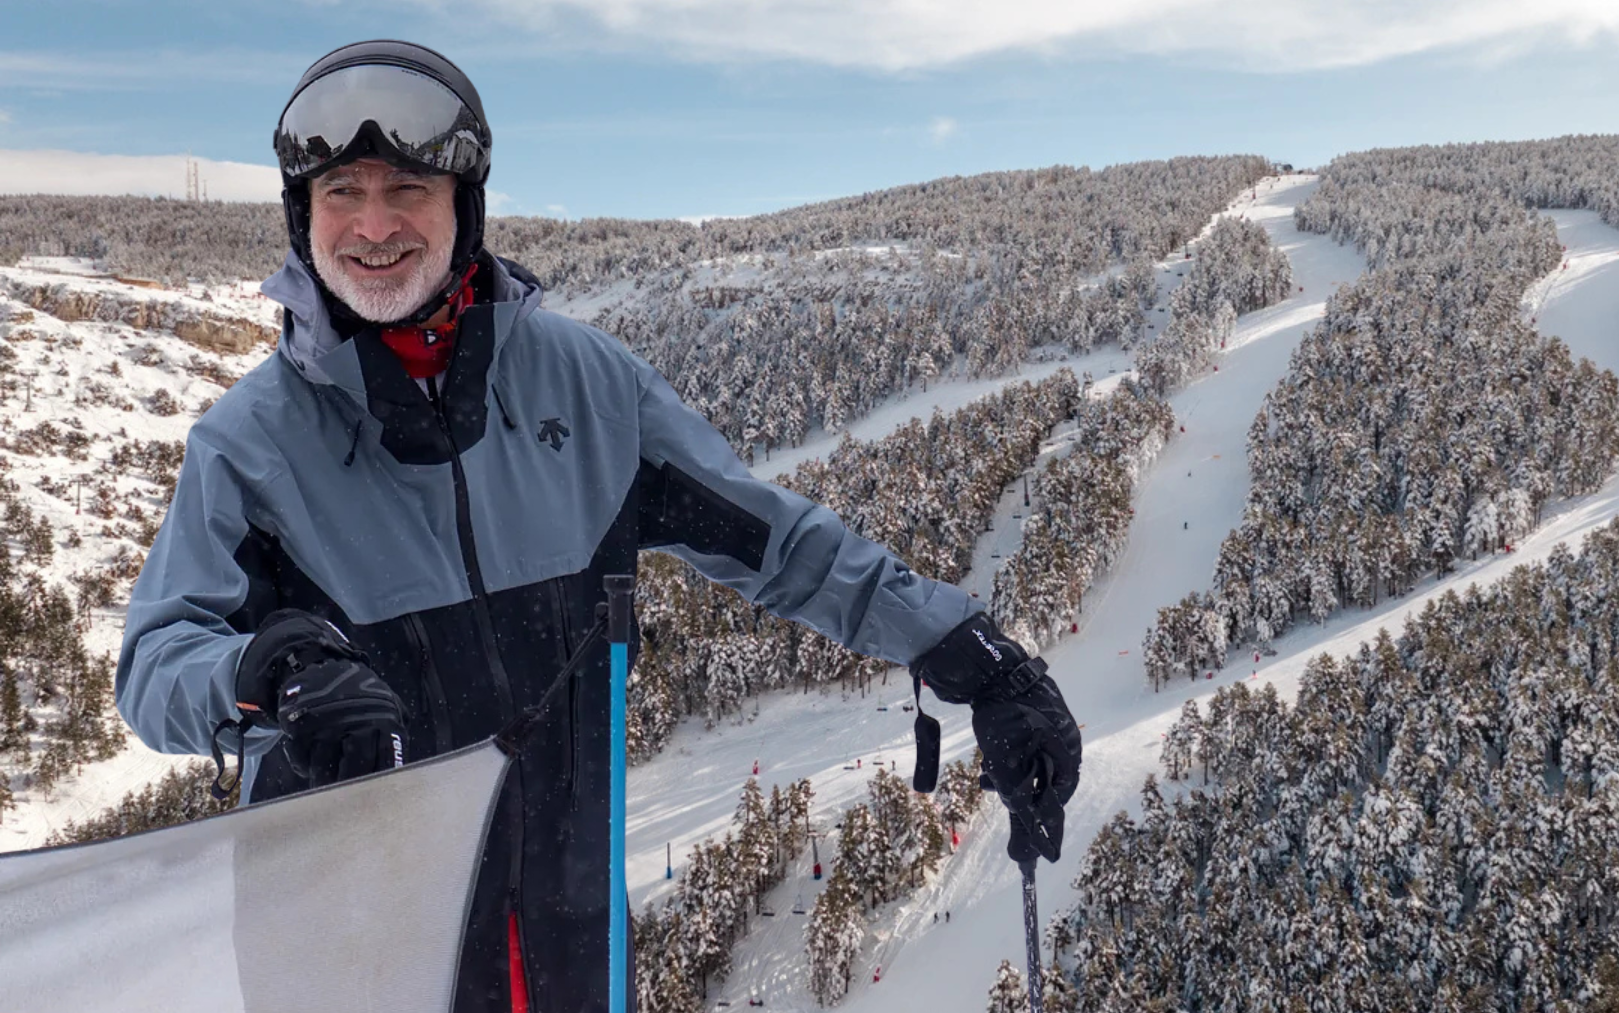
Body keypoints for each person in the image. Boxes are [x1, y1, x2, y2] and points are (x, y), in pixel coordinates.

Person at [113, 39, 1081, 1013]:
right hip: (354, 969)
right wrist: (260, 675)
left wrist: (970, 653)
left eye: (407, 186)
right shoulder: (251, 446)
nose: (373, 225)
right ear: (301, 214)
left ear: (464, 203)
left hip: (574, 954)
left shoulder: (589, 389)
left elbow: (778, 544)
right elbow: (155, 664)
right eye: (340, 193)